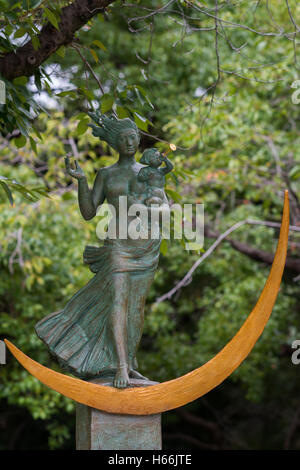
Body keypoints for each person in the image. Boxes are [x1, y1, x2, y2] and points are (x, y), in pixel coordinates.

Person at [35, 113, 169, 388]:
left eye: (133, 137)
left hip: (145, 247)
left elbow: (165, 210)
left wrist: (148, 207)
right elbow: (88, 211)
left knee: (136, 309)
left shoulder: (150, 172)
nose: (130, 142)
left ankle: (130, 363)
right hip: (118, 246)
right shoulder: (106, 174)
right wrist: (82, 181)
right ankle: (119, 365)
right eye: (124, 138)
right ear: (114, 142)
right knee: (118, 302)